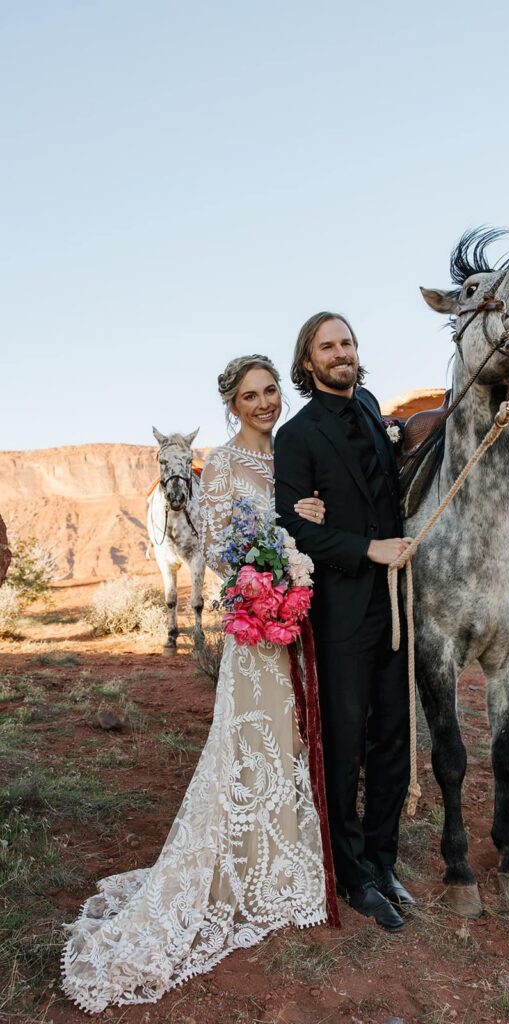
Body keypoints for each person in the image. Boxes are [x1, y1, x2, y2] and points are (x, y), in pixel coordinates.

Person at [61, 355, 337, 1013]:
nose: (264, 403)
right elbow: (216, 549)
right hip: (256, 626)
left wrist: (312, 523)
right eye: (250, 396)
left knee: (294, 741)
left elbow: (309, 525)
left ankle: (287, 862)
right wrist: (268, 574)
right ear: (232, 405)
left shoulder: (292, 454)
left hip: (302, 620)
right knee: (255, 742)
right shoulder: (223, 466)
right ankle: (243, 868)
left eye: (270, 391)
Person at [275, 312, 415, 932]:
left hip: (395, 603)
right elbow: (294, 528)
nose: (341, 353)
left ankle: (383, 861)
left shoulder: (373, 408)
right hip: (341, 610)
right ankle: (353, 876)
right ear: (308, 362)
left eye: (348, 343)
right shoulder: (296, 435)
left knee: (394, 738)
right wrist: (367, 549)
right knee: (345, 744)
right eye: (327, 346)